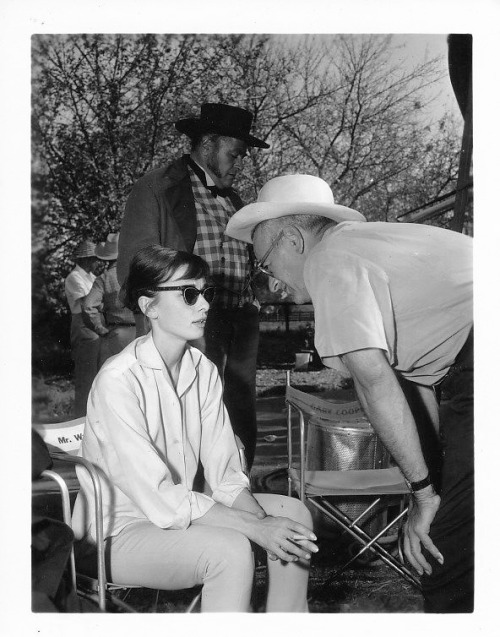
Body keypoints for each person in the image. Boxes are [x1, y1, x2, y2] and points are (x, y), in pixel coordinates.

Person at [225, 174, 473, 613]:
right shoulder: (365, 244)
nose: (273, 285)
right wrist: (436, 482)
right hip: (468, 365)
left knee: (451, 561)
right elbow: (414, 384)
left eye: (264, 264)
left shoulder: (328, 262)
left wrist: (425, 495)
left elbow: (374, 381)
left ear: (292, 239)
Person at [73, 245, 318, 612]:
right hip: (117, 533)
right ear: (149, 306)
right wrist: (254, 528)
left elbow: (225, 475)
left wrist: (264, 522)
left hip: (176, 517)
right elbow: (160, 498)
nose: (204, 305)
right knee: (229, 550)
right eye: (189, 294)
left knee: (294, 515)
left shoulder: (202, 369)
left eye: (207, 293)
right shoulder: (118, 381)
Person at [117, 103, 270, 469]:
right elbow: (136, 265)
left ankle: (238, 482)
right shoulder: (156, 187)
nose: (239, 162)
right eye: (234, 153)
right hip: (191, 320)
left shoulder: (235, 200)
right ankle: (192, 495)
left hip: (239, 319)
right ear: (208, 144)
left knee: (236, 404)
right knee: (187, 408)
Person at [81, 233, 135, 368]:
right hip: (142, 333)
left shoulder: (103, 279)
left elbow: (88, 306)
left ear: (106, 258)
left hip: (116, 335)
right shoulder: (138, 275)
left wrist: (99, 328)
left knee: (112, 378)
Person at [64, 240, 101, 418]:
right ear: (86, 259)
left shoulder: (91, 277)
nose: (97, 262)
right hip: (83, 325)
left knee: (96, 374)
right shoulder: (74, 277)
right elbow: (88, 302)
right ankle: (80, 419)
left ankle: (93, 417)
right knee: (85, 376)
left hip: (93, 322)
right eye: (95, 259)